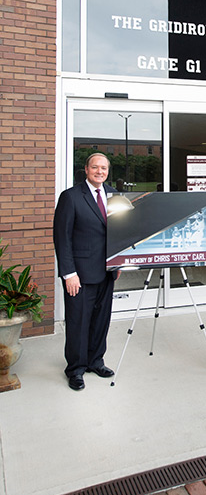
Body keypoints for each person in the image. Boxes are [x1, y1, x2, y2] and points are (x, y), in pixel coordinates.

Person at [53, 153, 118, 391]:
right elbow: (62, 238)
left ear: (108, 171)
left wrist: (118, 263)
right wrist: (68, 273)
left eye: (103, 168)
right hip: (79, 274)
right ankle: (76, 369)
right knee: (78, 322)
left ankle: (95, 361)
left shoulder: (114, 195)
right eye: (95, 167)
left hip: (107, 271)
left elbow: (120, 232)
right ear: (86, 169)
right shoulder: (70, 197)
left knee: (101, 321)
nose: (99, 171)